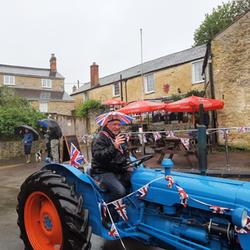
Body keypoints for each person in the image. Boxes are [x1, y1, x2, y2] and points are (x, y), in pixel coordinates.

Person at [91, 117, 132, 203]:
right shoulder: (99, 137)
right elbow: (98, 156)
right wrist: (114, 147)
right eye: (114, 124)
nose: (117, 127)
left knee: (135, 181)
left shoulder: (119, 136)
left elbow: (125, 152)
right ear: (107, 125)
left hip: (118, 169)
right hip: (102, 171)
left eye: (119, 124)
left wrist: (128, 162)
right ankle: (109, 211)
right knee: (120, 192)